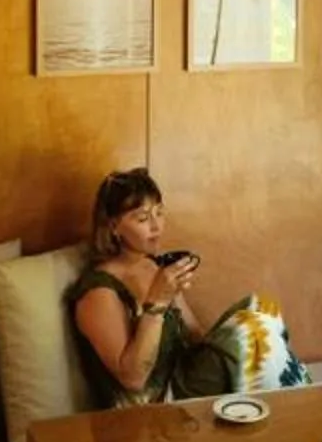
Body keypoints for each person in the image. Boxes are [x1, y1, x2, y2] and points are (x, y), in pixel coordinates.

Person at [69, 167, 225, 406]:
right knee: (257, 339)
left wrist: (226, 347)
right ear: (113, 226)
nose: (156, 226)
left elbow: (194, 333)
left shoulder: (154, 266)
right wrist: (158, 303)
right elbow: (133, 379)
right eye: (143, 218)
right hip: (151, 411)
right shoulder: (98, 292)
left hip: (186, 381)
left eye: (159, 213)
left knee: (258, 318)